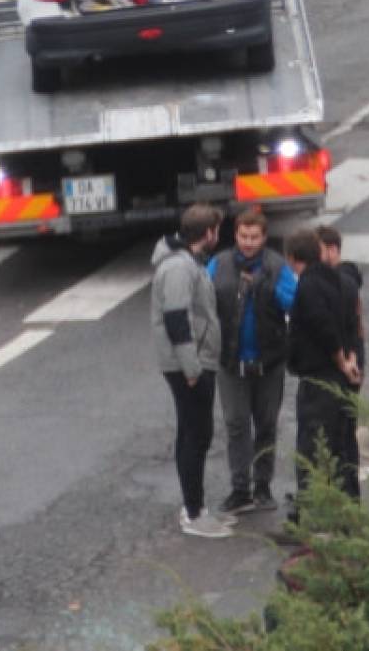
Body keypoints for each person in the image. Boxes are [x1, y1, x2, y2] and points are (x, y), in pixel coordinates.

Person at [206, 206, 298, 516]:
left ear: (264, 237)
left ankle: (263, 487)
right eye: (243, 236)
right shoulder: (217, 266)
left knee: (266, 426)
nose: (248, 243)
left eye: (254, 237)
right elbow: (203, 305)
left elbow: (294, 303)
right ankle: (240, 488)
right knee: (235, 425)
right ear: (236, 235)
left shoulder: (277, 267)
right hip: (230, 363)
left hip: (268, 363)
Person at [152, 202, 230, 538]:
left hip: (195, 361)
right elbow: (175, 318)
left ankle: (197, 507)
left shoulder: (188, 263)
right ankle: (194, 512)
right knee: (195, 435)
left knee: (196, 432)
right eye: (217, 230)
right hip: (189, 365)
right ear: (209, 233)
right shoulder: (179, 268)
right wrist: (192, 367)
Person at [284, 227, 361, 520]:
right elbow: (351, 321)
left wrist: (341, 359)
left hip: (319, 379)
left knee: (313, 448)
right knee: (340, 446)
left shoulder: (308, 286)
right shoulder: (339, 280)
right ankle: (345, 514)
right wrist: (352, 357)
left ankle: (311, 517)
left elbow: (322, 324)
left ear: (292, 258)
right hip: (339, 378)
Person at [314, 224, 365, 497]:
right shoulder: (342, 279)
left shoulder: (342, 282)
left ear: (332, 251)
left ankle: (347, 495)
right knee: (337, 435)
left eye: (317, 251)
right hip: (348, 363)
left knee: (342, 435)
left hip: (346, 367)